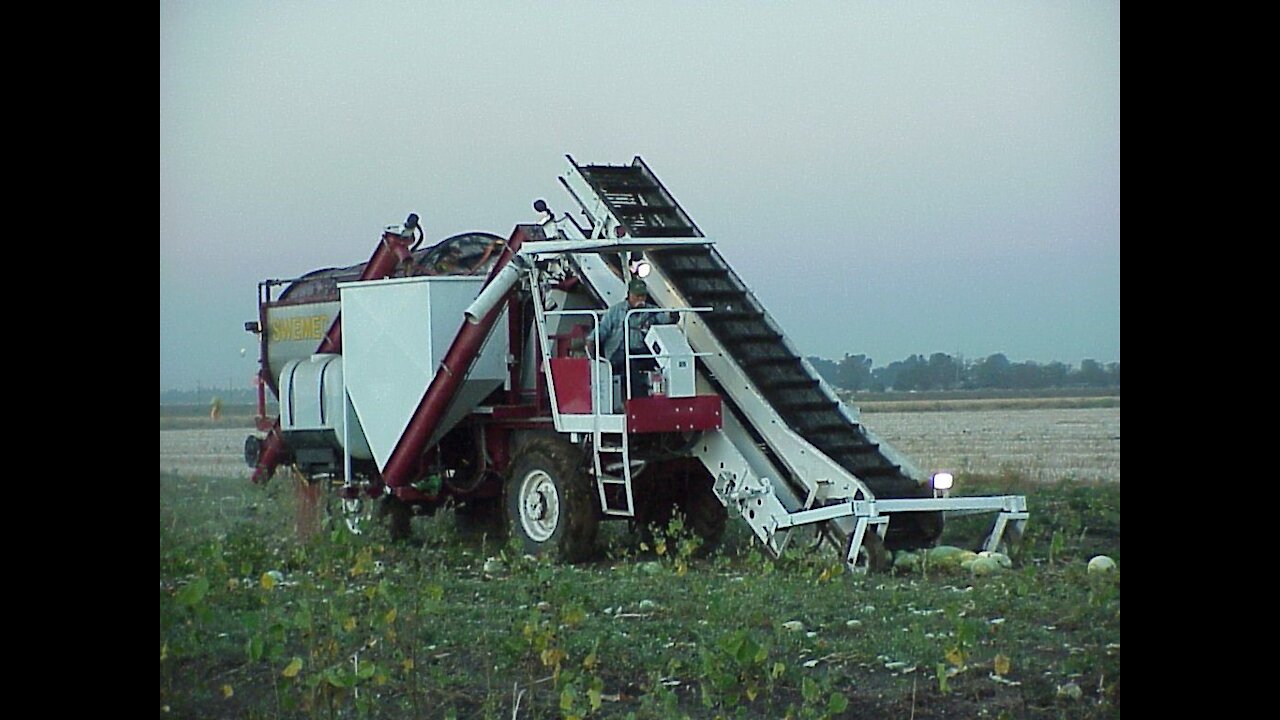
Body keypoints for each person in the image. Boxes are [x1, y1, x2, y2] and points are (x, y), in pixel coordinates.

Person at [585, 279, 673, 398]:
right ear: (629, 295)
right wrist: (591, 344)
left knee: (666, 363)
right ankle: (637, 402)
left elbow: (664, 317)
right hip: (618, 352)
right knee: (630, 365)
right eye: (637, 296)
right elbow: (602, 330)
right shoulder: (615, 311)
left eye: (643, 296)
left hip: (643, 351)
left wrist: (672, 316)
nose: (641, 299)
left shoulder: (651, 311)